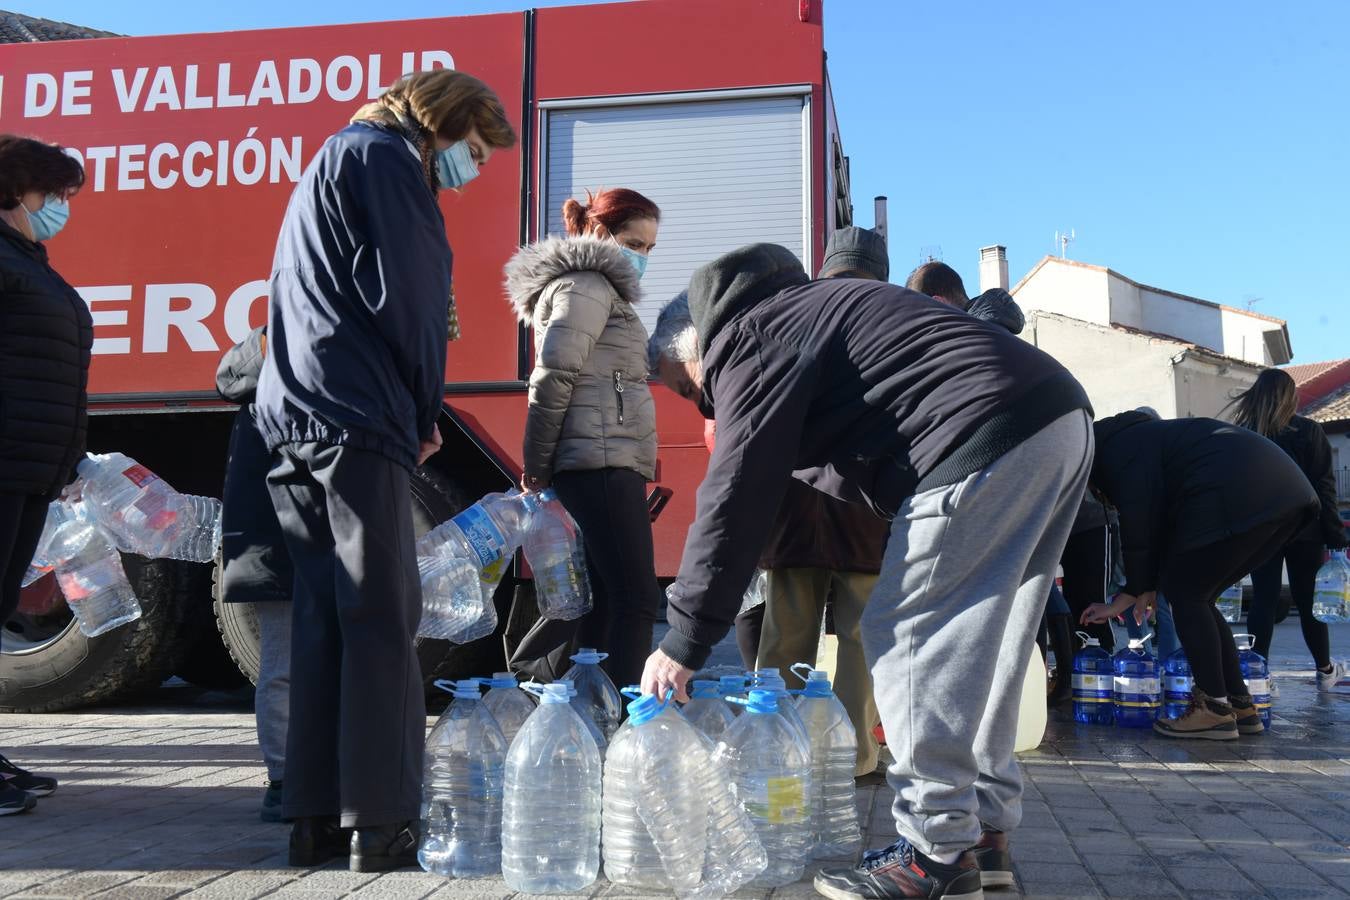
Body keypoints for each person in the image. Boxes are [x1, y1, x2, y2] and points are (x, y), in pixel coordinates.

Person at [644, 243, 1094, 898]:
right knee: (986, 648)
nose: (703, 408)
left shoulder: (749, 336)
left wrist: (683, 640)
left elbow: (733, 494)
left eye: (688, 387)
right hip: (1057, 419)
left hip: (980, 432)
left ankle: (935, 856)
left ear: (695, 346)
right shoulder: (807, 311)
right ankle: (983, 841)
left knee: (907, 637)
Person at [255, 70, 515, 871]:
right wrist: (423, 410)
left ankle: (314, 818)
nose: (470, 170)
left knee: (323, 618)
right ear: (441, 122)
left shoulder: (331, 161)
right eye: (472, 149)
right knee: (382, 618)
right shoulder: (391, 162)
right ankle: (383, 821)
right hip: (360, 413)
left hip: (294, 411)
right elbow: (413, 304)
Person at [504, 188, 662, 690]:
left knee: (604, 598)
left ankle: (588, 713)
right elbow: (552, 375)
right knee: (635, 598)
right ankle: (622, 722)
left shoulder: (597, 288)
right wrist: (536, 462)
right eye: (634, 243)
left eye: (649, 249)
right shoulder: (589, 285)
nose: (641, 257)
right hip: (598, 459)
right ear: (599, 233)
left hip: (605, 456)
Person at [1079, 412, 1318, 740]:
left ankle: (1214, 710)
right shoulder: (1141, 441)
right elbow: (1157, 522)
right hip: (1284, 493)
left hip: (1243, 489)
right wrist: (1139, 588)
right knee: (1198, 596)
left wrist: (1139, 585)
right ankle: (1239, 704)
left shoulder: (1118, 451)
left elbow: (1139, 520)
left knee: (1188, 595)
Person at [753, 226, 889, 778]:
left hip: (794, 501)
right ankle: (856, 759)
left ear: (824, 266)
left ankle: (775, 752)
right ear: (879, 272)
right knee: (861, 639)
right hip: (864, 504)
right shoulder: (893, 320)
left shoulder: (791, 313)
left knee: (786, 636)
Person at [0, 136, 89, 817]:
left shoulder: (27, 258)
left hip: (29, 465)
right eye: (53, 193)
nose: (60, 206)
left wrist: (69, 459)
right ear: (16, 188)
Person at [215, 326, 294, 823]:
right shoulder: (264, 371)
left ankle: (294, 775)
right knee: (285, 665)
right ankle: (284, 777)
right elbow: (228, 377)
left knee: (289, 664)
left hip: (285, 543)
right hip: (279, 542)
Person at [1229, 369, 1349, 690]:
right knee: (1308, 601)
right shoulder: (1309, 432)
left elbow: (1236, 489)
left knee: (1263, 601)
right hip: (1305, 530)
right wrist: (1336, 537)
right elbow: (1325, 488)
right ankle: (1325, 670)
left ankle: (1258, 673)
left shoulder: (1244, 435)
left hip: (1261, 531)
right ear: (1290, 396)